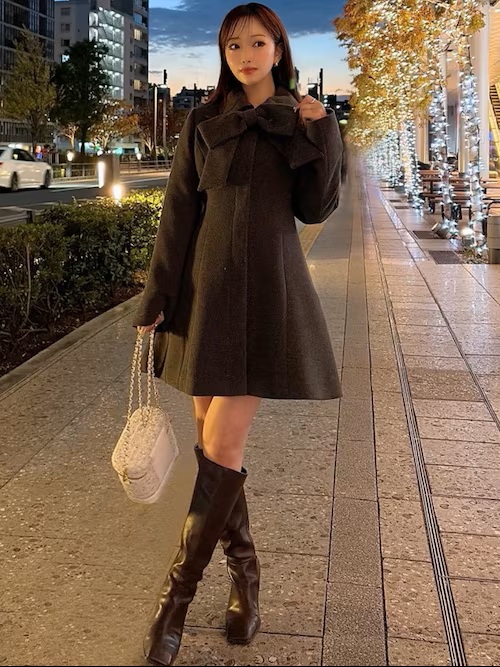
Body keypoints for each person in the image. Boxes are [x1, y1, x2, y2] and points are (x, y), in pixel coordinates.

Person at [133, 3, 343, 665]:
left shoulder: (302, 119)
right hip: (205, 295)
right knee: (212, 450)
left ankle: (174, 601)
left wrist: (323, 132)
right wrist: (158, 295)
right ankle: (246, 575)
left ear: (278, 47)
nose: (246, 55)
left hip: (266, 294)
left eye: (257, 42)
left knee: (222, 443)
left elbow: (316, 205)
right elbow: (178, 213)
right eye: (233, 45)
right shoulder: (202, 121)